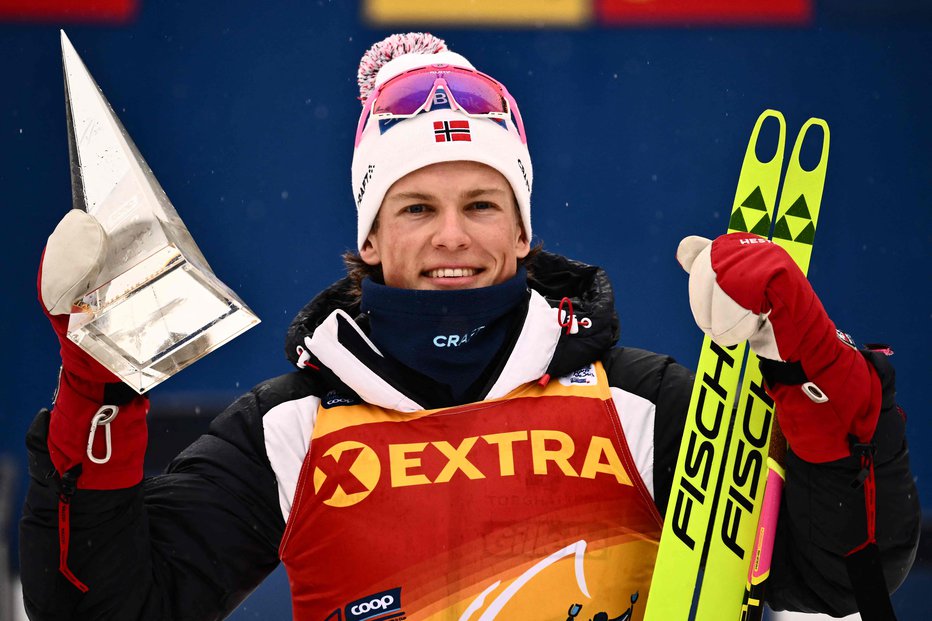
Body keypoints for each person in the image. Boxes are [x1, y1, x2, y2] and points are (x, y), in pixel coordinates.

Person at [20, 32, 919, 620]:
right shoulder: (286, 430)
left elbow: (848, 575)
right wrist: (96, 393)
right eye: (415, 208)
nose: (452, 237)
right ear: (368, 236)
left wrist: (810, 365)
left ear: (523, 228)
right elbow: (103, 609)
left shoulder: (641, 403)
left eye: (482, 202)